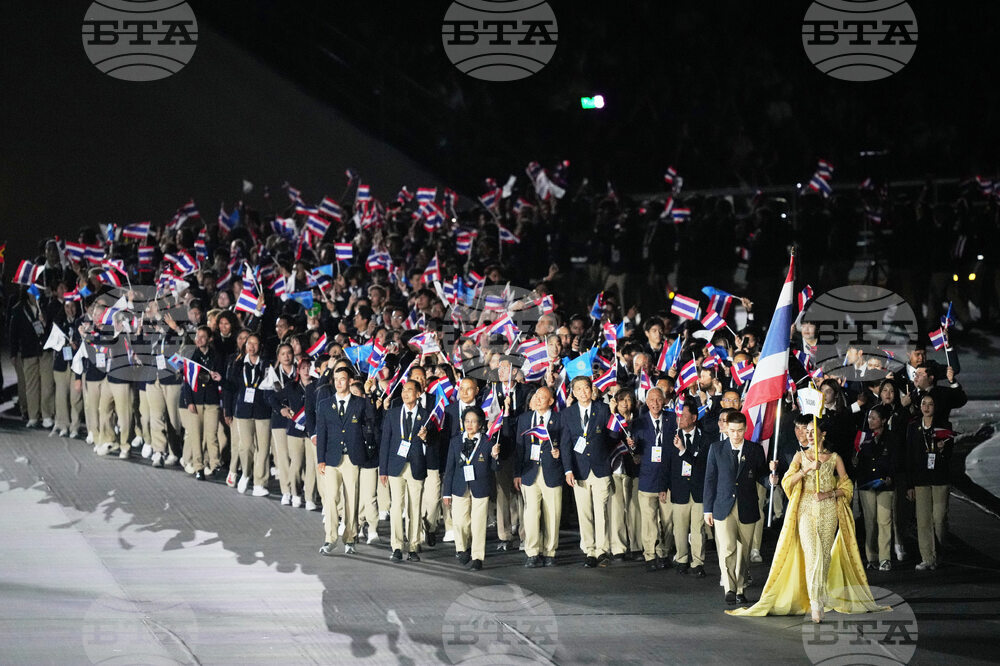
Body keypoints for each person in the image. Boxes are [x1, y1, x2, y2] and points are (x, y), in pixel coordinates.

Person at [728, 419, 888, 622]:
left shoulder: (834, 458)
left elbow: (847, 486)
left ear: (823, 435)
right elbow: (787, 481)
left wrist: (829, 493)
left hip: (829, 510)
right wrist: (806, 469)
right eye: (807, 431)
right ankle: (815, 604)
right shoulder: (800, 456)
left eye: (813, 431)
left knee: (825, 556)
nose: (810, 434)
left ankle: (821, 597)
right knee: (812, 555)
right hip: (804, 508)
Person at [703, 412, 777, 606]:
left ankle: (741, 588)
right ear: (726, 429)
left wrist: (770, 480)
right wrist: (707, 509)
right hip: (722, 506)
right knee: (727, 548)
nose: (736, 435)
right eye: (733, 430)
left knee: (743, 552)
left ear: (745, 430)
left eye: (740, 431)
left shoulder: (755, 450)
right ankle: (730, 588)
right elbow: (710, 480)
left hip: (747, 506)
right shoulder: (716, 449)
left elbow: (761, 476)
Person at [559, 376, 618, 568]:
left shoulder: (603, 409)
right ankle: (589, 550)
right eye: (579, 389)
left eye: (586, 388)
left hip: (601, 467)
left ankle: (602, 551)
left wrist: (616, 416)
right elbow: (565, 444)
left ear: (591, 390)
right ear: (573, 393)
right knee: (584, 513)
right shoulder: (568, 414)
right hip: (579, 469)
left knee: (601, 511)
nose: (583, 392)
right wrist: (568, 470)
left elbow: (612, 437)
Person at [316, 366, 376, 555]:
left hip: (352, 457)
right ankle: (330, 538)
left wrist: (368, 396)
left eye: (343, 379)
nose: (339, 382)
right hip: (332, 458)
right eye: (336, 379)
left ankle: (350, 538)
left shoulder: (359, 402)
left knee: (352, 499)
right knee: (331, 498)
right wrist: (320, 459)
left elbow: (371, 421)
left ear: (350, 381)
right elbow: (322, 432)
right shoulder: (325, 404)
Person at [379, 380, 432, 563]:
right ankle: (396, 546)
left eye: (410, 390)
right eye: (403, 390)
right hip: (395, 466)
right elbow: (385, 442)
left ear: (418, 394)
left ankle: (414, 546)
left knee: (414, 508)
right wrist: (383, 470)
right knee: (396, 507)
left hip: (416, 466)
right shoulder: (393, 414)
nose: (405, 393)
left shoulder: (426, 415)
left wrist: (426, 438)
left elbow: (433, 443)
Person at [510, 386, 563, 567]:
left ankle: (550, 552)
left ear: (551, 402)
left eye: (543, 397)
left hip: (552, 472)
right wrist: (517, 473)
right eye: (536, 396)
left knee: (552, 514)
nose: (538, 399)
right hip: (529, 472)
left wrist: (559, 453)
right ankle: (532, 552)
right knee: (531, 514)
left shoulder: (559, 419)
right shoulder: (525, 419)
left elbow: (566, 444)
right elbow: (519, 448)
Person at [442, 407, 500, 570]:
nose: (470, 424)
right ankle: (462, 548)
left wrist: (495, 456)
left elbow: (495, 468)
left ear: (480, 424)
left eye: (474, 421)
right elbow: (450, 468)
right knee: (460, 521)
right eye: (467, 421)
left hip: (480, 486)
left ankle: (477, 557)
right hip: (459, 486)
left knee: (478, 523)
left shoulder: (488, 442)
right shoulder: (455, 441)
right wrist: (446, 492)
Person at [904, 393, 954, 571]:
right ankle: (927, 557)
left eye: (930, 404)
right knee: (923, 520)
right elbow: (909, 456)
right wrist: (910, 484)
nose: (926, 407)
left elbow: (949, 456)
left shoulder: (944, 426)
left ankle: (939, 553)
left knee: (939, 519)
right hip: (920, 478)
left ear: (935, 407)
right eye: (923, 403)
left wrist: (941, 450)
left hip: (940, 478)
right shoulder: (913, 427)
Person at [632, 387, 677, 571]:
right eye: (652, 400)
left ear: (665, 401)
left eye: (659, 399)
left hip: (667, 479)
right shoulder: (638, 423)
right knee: (649, 520)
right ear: (646, 401)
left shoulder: (673, 419)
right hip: (647, 478)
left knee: (667, 520)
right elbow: (634, 452)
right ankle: (649, 555)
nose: (655, 403)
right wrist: (632, 447)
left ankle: (664, 552)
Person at [663, 400, 709, 576]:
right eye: (678, 415)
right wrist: (663, 487)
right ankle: (681, 559)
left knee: (698, 529)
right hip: (679, 489)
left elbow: (701, 464)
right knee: (679, 528)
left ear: (694, 418)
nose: (679, 419)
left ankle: (697, 562)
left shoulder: (705, 438)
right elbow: (666, 465)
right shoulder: (671, 437)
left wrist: (683, 450)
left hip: (698, 490)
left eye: (683, 415)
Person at [855, 404, 901, 571]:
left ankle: (885, 558)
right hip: (866, 484)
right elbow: (859, 461)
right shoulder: (864, 436)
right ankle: (871, 557)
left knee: (884, 521)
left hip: (885, 485)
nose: (871, 421)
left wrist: (891, 476)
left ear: (883, 420)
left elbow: (896, 459)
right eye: (869, 417)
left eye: (874, 418)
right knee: (870, 523)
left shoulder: (892, 437)